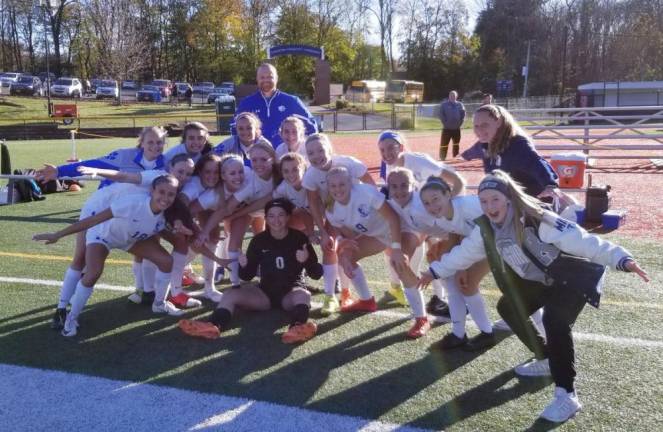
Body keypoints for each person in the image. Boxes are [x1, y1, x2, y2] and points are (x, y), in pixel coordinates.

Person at [419, 170, 649, 422]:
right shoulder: (485, 228)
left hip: (571, 277)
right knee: (508, 308)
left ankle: (567, 395)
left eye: (495, 199)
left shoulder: (538, 219)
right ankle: (546, 357)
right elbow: (464, 253)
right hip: (544, 282)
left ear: (508, 198)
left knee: (555, 322)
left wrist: (621, 259)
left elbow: (583, 241)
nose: (489, 206)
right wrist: (433, 271)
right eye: (483, 201)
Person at [33, 175, 190, 337]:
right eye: (161, 192)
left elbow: (175, 232)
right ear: (152, 191)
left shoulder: (169, 214)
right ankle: (71, 318)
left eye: (171, 194)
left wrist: (186, 232)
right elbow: (93, 220)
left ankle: (159, 304)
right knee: (93, 272)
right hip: (102, 236)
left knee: (166, 261)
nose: (165, 198)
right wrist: (58, 234)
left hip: (130, 240)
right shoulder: (132, 203)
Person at [179, 198, 322, 344]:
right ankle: (213, 325)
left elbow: (316, 274)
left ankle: (297, 328)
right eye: (271, 216)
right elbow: (247, 276)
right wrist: (244, 265)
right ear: (265, 218)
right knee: (229, 295)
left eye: (281, 215)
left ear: (287, 217)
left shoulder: (299, 238)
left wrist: (306, 260)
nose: (276, 220)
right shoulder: (259, 240)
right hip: (265, 293)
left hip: (291, 293)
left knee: (304, 295)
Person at [302, 133, 375, 315]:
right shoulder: (310, 175)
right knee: (330, 248)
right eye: (311, 153)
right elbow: (313, 204)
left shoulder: (348, 163)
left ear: (329, 149)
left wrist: (371, 214)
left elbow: (371, 184)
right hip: (335, 217)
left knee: (352, 252)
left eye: (320, 150)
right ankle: (331, 296)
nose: (317, 156)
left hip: (359, 215)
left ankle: (394, 287)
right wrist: (323, 231)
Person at [235, 63, 317, 148]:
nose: (266, 80)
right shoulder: (247, 103)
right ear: (257, 79)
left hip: (285, 157)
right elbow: (234, 128)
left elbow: (312, 126)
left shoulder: (292, 101)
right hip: (257, 157)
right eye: (262, 77)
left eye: (270, 77)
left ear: (277, 78)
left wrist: (301, 148)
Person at [438, 90, 465, 160]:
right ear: (449, 96)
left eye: (454, 95)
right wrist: (445, 123)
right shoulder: (444, 105)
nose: (452, 97)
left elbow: (463, 114)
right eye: (451, 95)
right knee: (444, 144)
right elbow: (441, 115)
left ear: (456, 96)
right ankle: (442, 157)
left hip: (456, 129)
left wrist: (460, 123)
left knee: (456, 144)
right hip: (447, 129)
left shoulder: (460, 104)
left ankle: (455, 156)